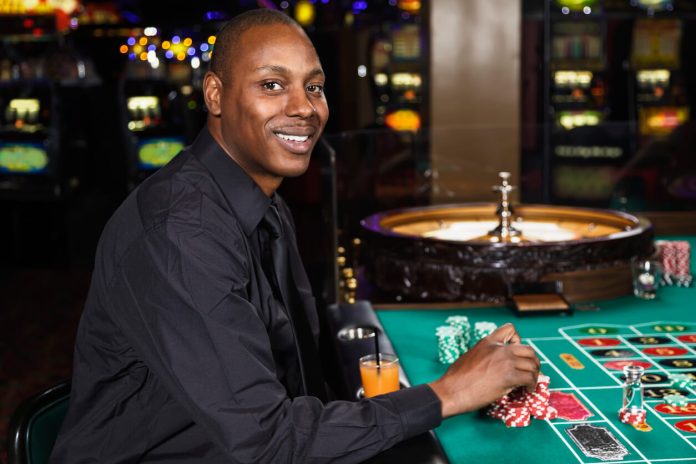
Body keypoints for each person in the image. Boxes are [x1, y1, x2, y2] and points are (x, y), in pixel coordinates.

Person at [51, 8, 540, 463]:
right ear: (215, 95)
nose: (303, 108)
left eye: (314, 87)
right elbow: (267, 442)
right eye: (271, 84)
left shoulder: (266, 205)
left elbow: (301, 378)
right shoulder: (181, 232)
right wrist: (450, 392)